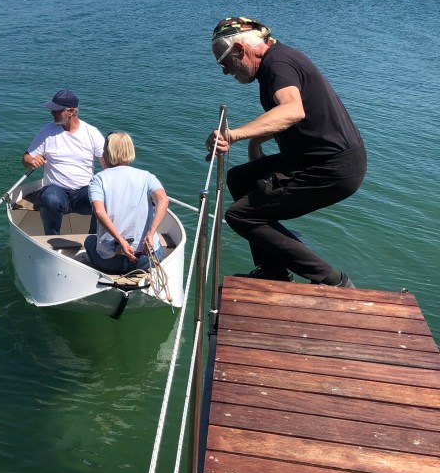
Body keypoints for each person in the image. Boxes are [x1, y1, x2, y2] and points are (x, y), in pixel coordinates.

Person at [206, 16, 366, 287]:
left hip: (330, 167)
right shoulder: (277, 60)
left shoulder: (277, 65)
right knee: (239, 179)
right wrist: (255, 142)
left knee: (240, 215)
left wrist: (233, 135)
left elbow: (292, 110)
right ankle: (273, 271)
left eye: (224, 63)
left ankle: (332, 280)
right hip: (314, 158)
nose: (225, 72)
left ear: (240, 50)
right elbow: (292, 116)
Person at [85, 132, 169, 274]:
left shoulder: (98, 179)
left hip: (111, 260)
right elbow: (163, 200)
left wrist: (121, 241)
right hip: (147, 258)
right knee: (157, 243)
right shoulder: (147, 177)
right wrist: (150, 233)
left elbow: (99, 211)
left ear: (108, 153)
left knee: (89, 241)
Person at [22, 89, 105, 234]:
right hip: (56, 190)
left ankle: (94, 238)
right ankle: (52, 238)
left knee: (105, 198)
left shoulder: (91, 133)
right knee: (50, 199)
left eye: (56, 110)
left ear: (71, 111)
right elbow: (26, 158)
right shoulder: (47, 132)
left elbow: (107, 166)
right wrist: (32, 161)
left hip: (84, 191)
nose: (52, 113)